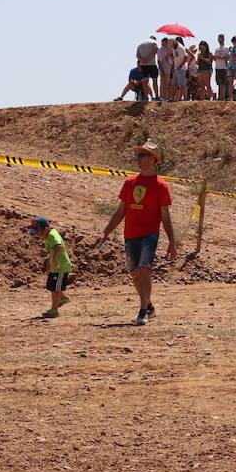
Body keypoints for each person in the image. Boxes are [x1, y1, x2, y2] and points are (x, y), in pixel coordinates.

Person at [98, 143, 177, 325]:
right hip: (130, 233)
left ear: (152, 159)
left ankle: (142, 312)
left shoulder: (161, 185)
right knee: (134, 274)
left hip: (149, 234)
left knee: (144, 269)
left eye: (142, 155)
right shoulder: (130, 182)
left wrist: (172, 242)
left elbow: (165, 215)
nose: (138, 158)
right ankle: (149, 306)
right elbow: (120, 211)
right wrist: (105, 233)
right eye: (138, 154)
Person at [29, 216, 72, 318]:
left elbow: (58, 246)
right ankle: (63, 298)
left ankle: (54, 310)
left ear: (46, 229)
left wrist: (55, 259)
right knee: (52, 285)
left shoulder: (52, 235)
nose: (38, 235)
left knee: (54, 287)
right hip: (55, 266)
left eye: (38, 232)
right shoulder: (46, 237)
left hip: (61, 265)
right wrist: (49, 265)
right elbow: (50, 253)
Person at [136, 37, 161, 102]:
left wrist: (142, 60)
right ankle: (157, 96)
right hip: (152, 64)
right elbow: (154, 52)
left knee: (145, 81)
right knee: (154, 81)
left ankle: (146, 97)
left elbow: (137, 55)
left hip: (143, 65)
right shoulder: (154, 43)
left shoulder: (140, 44)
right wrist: (148, 60)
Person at [213, 35, 231, 101]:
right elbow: (214, 58)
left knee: (223, 82)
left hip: (224, 67)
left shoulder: (227, 48)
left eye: (221, 38)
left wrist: (220, 57)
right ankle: (219, 96)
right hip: (217, 67)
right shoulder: (217, 49)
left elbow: (228, 57)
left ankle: (222, 97)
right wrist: (219, 57)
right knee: (219, 82)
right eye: (219, 38)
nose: (220, 39)